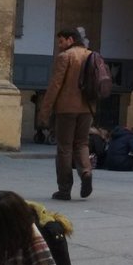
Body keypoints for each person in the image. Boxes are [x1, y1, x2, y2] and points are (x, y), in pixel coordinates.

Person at [38, 27, 94, 201]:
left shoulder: (65, 57)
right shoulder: (91, 55)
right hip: (88, 108)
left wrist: (44, 111)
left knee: (64, 148)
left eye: (61, 41)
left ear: (70, 40)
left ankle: (64, 189)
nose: (59, 45)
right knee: (82, 143)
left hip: (66, 109)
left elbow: (55, 85)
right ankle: (86, 172)